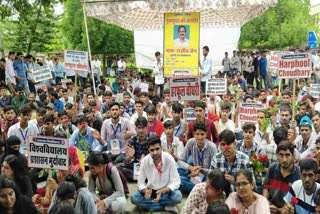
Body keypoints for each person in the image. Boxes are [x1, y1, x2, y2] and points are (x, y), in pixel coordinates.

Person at [130, 135, 182, 213]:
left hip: (165, 192)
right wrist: (145, 191)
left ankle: (148, 206)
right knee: (134, 198)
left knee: (177, 196)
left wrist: (163, 191)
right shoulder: (145, 161)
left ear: (161, 147)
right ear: (148, 150)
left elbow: (176, 181)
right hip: (151, 191)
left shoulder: (169, 159)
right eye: (152, 150)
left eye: (157, 149)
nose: (155, 153)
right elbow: (140, 183)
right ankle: (166, 207)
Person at [178, 121, 217, 193]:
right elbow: (180, 161)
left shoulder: (212, 147)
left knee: (214, 183)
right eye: (197, 134)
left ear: (206, 134)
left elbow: (215, 171)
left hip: (207, 177)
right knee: (178, 177)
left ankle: (198, 189)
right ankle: (199, 189)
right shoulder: (190, 142)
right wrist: (191, 168)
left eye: (202, 134)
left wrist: (201, 170)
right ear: (194, 134)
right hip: (194, 175)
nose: (199, 137)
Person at [263, 140, 301, 213]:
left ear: (293, 156)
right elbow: (266, 187)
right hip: (271, 208)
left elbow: (296, 199)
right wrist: (265, 204)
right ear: (277, 156)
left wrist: (282, 210)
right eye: (281, 155)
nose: (284, 159)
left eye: (287, 155)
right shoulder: (272, 168)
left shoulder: (298, 174)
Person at [118, 117, 155, 181]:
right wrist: (129, 157)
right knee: (118, 167)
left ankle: (139, 177)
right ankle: (141, 178)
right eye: (139, 128)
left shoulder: (152, 138)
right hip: (136, 165)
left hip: (149, 165)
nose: (141, 130)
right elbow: (126, 161)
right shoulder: (133, 139)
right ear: (136, 129)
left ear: (147, 128)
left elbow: (157, 156)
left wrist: (145, 161)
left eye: (143, 128)